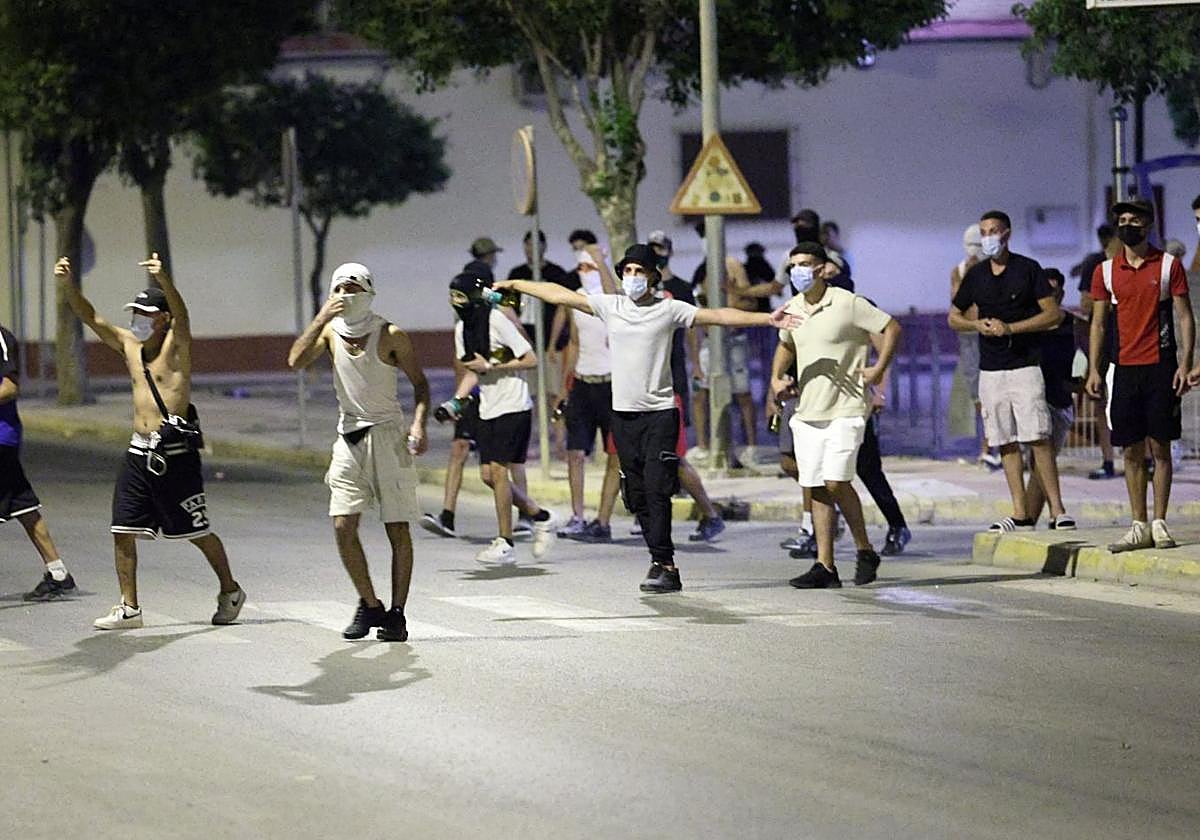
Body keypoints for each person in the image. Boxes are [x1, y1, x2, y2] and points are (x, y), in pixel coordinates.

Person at [497, 244, 800, 593]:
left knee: (657, 490)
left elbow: (716, 316)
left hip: (659, 414)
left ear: (653, 276)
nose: (633, 278)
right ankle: (659, 556)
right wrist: (517, 284)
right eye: (627, 271)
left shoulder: (669, 309)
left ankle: (664, 564)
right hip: (623, 416)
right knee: (636, 494)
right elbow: (560, 295)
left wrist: (767, 317)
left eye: (640, 272)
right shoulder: (611, 307)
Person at [56, 254, 244, 630]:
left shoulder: (177, 347)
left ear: (163, 319)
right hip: (138, 451)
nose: (137, 319)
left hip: (174, 456)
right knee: (123, 529)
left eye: (145, 313)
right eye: (135, 312)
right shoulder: (129, 345)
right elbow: (91, 317)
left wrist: (165, 280)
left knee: (196, 531)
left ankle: (230, 590)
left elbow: (183, 315)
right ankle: (130, 608)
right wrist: (68, 286)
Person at [287, 262, 428, 642]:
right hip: (348, 435)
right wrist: (321, 316)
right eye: (340, 289)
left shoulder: (391, 334)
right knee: (342, 524)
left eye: (353, 288)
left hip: (387, 434)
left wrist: (419, 425)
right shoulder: (331, 332)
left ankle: (396, 614)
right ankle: (370, 604)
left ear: (368, 291)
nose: (346, 295)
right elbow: (296, 361)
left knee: (396, 527)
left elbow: (421, 384)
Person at [771, 243, 902, 589]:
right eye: (793, 265)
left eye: (805, 264)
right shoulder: (792, 308)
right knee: (815, 486)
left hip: (846, 409)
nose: (798, 271)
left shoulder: (847, 302)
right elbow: (786, 344)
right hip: (807, 410)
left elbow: (892, 328)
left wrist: (878, 370)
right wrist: (776, 378)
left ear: (821, 268)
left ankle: (864, 549)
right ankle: (825, 566)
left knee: (835, 481)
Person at [949, 210, 1075, 533]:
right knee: (1004, 440)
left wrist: (1012, 329)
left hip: (1025, 366)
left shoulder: (1027, 269)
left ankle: (1057, 511)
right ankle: (1019, 511)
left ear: (1007, 234)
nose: (987, 237)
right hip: (991, 369)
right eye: (983, 231)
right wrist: (975, 324)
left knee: (1038, 437)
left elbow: (1052, 315)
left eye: (993, 231)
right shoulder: (975, 275)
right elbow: (953, 316)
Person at [1085, 199, 1194, 553]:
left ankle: (1160, 522)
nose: (1128, 224)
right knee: (1130, 451)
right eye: (1123, 219)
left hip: (1160, 367)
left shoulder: (1167, 266)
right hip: (1123, 370)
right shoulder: (1104, 271)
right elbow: (1099, 323)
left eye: (1134, 219)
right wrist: (1094, 369)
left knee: (1160, 447)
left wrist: (1185, 361)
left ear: (1148, 225)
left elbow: (1184, 317)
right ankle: (1138, 523)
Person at [444, 271, 558, 565]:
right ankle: (540, 516)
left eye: (459, 295)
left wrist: (493, 366)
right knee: (487, 476)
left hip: (514, 405)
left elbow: (530, 359)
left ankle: (505, 541)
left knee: (498, 471)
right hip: (488, 407)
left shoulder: (497, 320)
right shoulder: (462, 329)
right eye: (452, 296)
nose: (455, 302)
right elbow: (473, 370)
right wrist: (456, 401)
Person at [651, 232, 726, 543]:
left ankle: (709, 513)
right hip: (642, 384)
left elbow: (693, 330)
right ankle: (651, 516)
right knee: (646, 457)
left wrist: (696, 365)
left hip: (671, 380)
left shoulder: (680, 289)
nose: (657, 253)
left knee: (671, 455)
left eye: (661, 248)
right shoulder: (640, 293)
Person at [1, 323, 77, 600]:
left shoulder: (0, 337)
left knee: (22, 504)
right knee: (23, 504)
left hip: (1, 437)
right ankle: (58, 573)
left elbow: (9, 388)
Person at [558, 244, 621, 541]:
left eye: (590, 268)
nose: (585, 273)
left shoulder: (610, 301)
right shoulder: (576, 301)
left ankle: (604, 519)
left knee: (615, 455)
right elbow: (574, 342)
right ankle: (577, 516)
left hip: (611, 385)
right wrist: (563, 386)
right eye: (581, 268)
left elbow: (614, 298)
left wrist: (601, 263)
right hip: (583, 383)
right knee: (575, 453)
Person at [1025, 268, 1077, 526]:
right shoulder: (1031, 323)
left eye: (1055, 291)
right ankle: (1036, 516)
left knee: (1042, 464)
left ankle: (1029, 517)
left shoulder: (1071, 322)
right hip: (1037, 398)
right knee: (1039, 459)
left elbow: (1091, 351)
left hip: (1062, 399)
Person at [948, 223, 998, 468]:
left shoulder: (996, 269)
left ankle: (995, 446)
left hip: (993, 337)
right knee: (978, 396)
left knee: (996, 394)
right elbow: (957, 304)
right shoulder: (959, 270)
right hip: (970, 338)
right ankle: (988, 445)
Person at [1076, 224, 1119, 480]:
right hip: (1103, 340)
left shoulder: (1137, 263)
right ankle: (1108, 460)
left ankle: (1146, 459)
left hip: (1131, 341)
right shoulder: (1096, 264)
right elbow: (1086, 302)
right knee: (1100, 402)